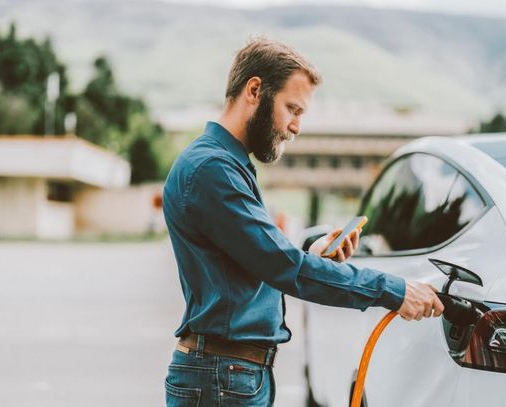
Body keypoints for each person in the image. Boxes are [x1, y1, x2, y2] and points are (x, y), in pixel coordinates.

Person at [162, 37, 444, 407]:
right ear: (254, 90)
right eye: (292, 109)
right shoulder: (212, 170)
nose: (295, 127)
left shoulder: (224, 165)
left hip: (228, 374)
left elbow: (256, 264)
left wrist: (311, 254)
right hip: (221, 378)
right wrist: (394, 290)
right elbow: (283, 267)